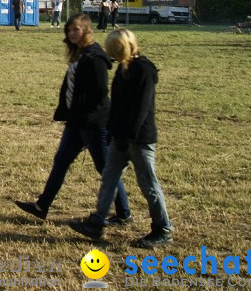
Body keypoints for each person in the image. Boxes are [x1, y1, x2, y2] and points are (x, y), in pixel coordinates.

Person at [14, 13, 130, 223]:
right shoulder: (81, 54)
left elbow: (100, 94)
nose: (71, 33)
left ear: (86, 30)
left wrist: (86, 118)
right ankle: (42, 206)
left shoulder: (95, 57)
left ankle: (124, 214)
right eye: (69, 30)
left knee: (105, 168)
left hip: (93, 124)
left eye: (75, 29)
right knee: (61, 162)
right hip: (76, 123)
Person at [71, 28, 174, 248]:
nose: (111, 56)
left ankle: (163, 228)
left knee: (148, 184)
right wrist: (112, 132)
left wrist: (128, 136)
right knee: (109, 177)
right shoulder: (122, 69)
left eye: (114, 51)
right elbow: (116, 105)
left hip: (139, 139)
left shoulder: (143, 71)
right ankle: (96, 222)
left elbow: (141, 109)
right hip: (119, 137)